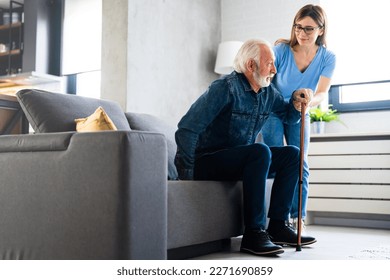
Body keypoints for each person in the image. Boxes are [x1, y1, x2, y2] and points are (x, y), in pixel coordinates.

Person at [174, 39, 316, 256]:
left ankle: (277, 226)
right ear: (251, 66)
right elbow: (186, 129)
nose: (274, 70)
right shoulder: (224, 88)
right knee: (260, 151)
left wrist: (296, 102)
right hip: (209, 160)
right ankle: (253, 234)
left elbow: (288, 115)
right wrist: (187, 175)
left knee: (292, 154)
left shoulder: (268, 93)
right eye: (269, 64)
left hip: (242, 159)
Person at [260, 4, 336, 231]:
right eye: (298, 27)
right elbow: (267, 83)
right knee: (274, 161)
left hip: (302, 110)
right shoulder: (281, 50)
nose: (302, 33)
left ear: (321, 30)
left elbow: (322, 92)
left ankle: (296, 218)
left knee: (301, 163)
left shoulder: (327, 58)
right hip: (274, 110)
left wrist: (306, 101)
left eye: (309, 29)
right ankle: (275, 220)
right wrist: (287, 101)